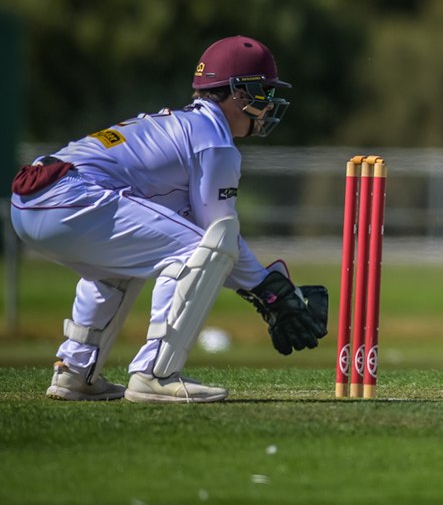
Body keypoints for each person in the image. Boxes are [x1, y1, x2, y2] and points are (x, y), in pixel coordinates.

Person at [9, 36, 328, 403]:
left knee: (119, 266)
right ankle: (155, 374)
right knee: (201, 250)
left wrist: (268, 288)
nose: (269, 104)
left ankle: (75, 372)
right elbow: (217, 233)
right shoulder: (214, 139)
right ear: (240, 92)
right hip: (68, 195)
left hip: (32, 198)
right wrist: (271, 292)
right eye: (265, 92)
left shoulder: (187, 125)